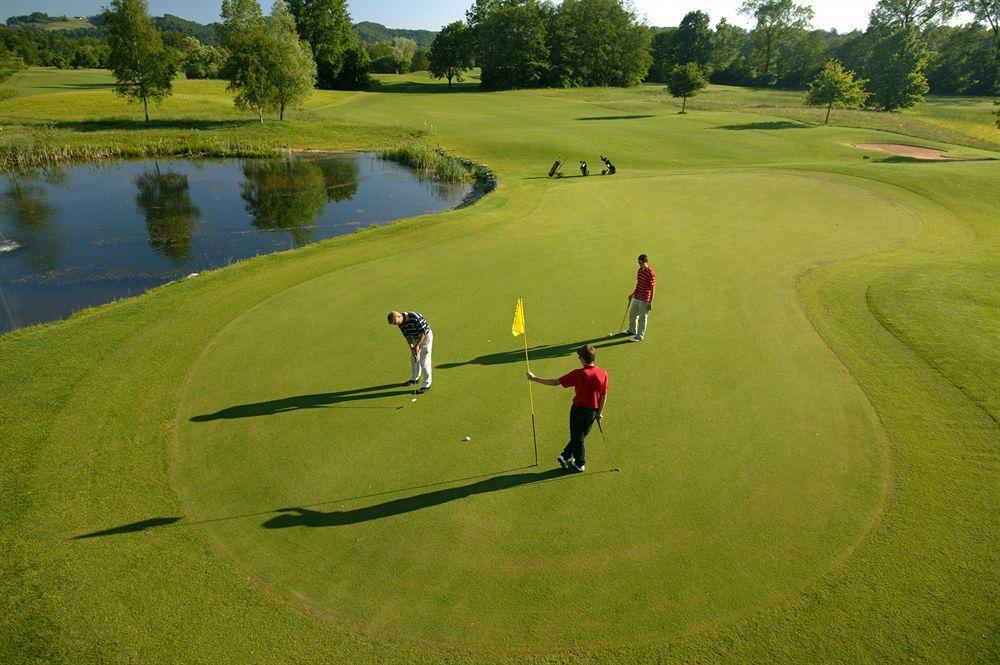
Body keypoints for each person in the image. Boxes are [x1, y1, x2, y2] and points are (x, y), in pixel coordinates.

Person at [526, 344, 608, 473]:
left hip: (577, 410)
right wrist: (599, 413)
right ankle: (567, 457)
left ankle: (577, 462)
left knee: (578, 437)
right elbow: (603, 396)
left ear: (582, 359)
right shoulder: (603, 373)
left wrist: (534, 378)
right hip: (592, 411)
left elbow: (555, 382)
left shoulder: (578, 374)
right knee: (580, 436)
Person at [387, 310, 433, 393]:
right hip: (415, 338)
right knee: (413, 358)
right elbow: (407, 336)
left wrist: (417, 345)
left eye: (396, 323)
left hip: (425, 337)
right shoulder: (400, 323)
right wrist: (412, 347)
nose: (397, 325)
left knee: (424, 361)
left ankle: (426, 385)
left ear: (399, 316)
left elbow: (423, 333)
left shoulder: (414, 317)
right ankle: (415, 378)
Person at [624, 253, 655, 342]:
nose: (639, 264)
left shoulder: (651, 273)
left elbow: (652, 289)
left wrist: (650, 302)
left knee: (642, 318)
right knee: (632, 314)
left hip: (645, 299)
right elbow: (639, 283)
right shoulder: (639, 271)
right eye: (638, 262)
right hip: (637, 296)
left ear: (646, 262)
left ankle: (639, 336)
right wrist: (633, 294)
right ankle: (632, 330)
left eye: (641, 262)